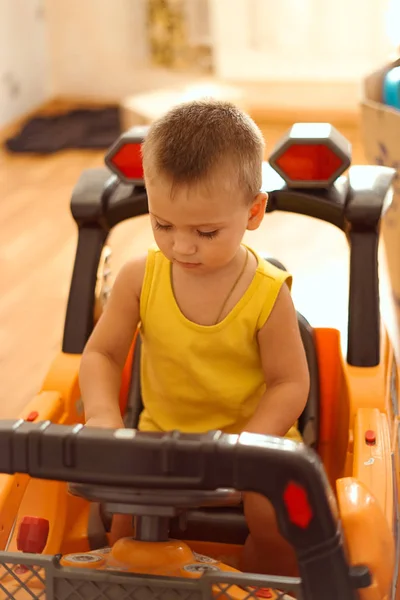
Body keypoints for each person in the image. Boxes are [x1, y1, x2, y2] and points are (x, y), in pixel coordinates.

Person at [79, 99, 310, 575]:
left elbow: (290, 383)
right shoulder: (139, 277)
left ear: (254, 212)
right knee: (124, 521)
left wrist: (248, 447)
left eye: (206, 231)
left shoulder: (268, 294)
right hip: (162, 441)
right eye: (162, 224)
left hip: (252, 443)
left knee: (276, 516)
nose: (181, 245)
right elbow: (102, 352)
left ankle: (265, 583)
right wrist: (103, 416)